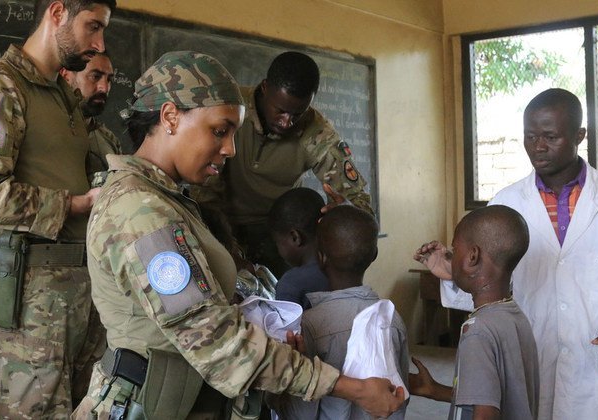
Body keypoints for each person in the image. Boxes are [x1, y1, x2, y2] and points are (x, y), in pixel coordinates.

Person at [76, 50, 405, 419]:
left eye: (233, 133)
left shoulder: (167, 200)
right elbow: (215, 341)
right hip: (148, 405)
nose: (230, 149)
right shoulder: (142, 212)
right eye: (220, 132)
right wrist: (352, 388)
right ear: (170, 117)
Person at [414, 88, 598, 419]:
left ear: (579, 135)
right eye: (530, 136)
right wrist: (450, 272)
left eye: (550, 136)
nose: (538, 146)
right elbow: (490, 282)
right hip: (531, 350)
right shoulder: (506, 203)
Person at [0, 1, 115, 417]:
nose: (99, 43)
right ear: (58, 12)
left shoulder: (66, 97)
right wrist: (75, 204)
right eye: (93, 27)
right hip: (35, 296)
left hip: (86, 289)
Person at [191, 51, 373, 276]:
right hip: (218, 222)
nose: (287, 122)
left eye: (298, 113)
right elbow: (203, 190)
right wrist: (226, 249)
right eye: (280, 111)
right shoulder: (230, 110)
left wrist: (345, 213)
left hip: (280, 236)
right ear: (266, 88)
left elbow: (361, 204)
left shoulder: (317, 132)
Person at [272, 205, 409, 420]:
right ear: (374, 255)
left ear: (321, 257)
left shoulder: (309, 325)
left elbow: (300, 413)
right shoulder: (391, 318)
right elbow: (399, 398)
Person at [410, 205, 539, 420]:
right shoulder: (514, 315)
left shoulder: (478, 332)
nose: (451, 256)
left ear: (472, 257)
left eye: (455, 249)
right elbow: (493, 396)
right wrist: (435, 390)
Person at [60, 51, 124, 187]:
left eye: (109, 80)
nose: (104, 87)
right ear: (66, 76)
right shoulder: (43, 131)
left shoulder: (108, 140)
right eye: (95, 76)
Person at [268, 187, 330, 309]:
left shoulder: (290, 284)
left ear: (295, 237)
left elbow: (286, 327)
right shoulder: (342, 269)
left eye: (277, 242)